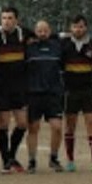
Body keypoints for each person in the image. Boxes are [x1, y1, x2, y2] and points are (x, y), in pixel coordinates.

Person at [61, 14, 92, 172]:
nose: (78, 29)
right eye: (75, 26)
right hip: (69, 92)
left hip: (89, 91)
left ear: (86, 28)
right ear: (71, 28)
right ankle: (70, 162)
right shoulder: (64, 45)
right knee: (70, 126)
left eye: (81, 26)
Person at [0, 6, 32, 173]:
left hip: (19, 86)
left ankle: (11, 155)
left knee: (22, 123)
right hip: (1, 86)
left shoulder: (24, 34)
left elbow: (43, 35)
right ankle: (6, 161)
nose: (6, 21)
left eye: (10, 18)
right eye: (4, 18)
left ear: (16, 20)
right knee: (4, 124)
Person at [25, 20, 65, 173]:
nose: (42, 33)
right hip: (34, 94)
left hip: (53, 94)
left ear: (50, 31)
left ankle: (53, 158)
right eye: (39, 30)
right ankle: (32, 161)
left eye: (45, 30)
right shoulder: (29, 48)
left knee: (57, 127)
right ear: (35, 32)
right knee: (33, 128)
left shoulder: (57, 47)